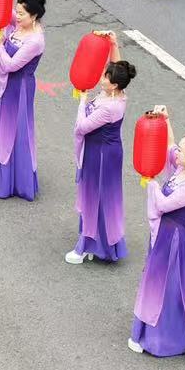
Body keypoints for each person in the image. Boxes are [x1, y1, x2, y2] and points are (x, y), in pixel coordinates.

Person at [128, 121, 185, 362]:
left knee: (164, 285)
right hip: (166, 232)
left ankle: (159, 340)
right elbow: (169, 146)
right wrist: (166, 121)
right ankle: (154, 334)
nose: (176, 153)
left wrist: (152, 182)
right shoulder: (183, 169)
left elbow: (165, 205)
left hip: (174, 237)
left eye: (182, 150)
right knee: (159, 282)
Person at [67, 50, 132, 265]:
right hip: (102, 151)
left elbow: (81, 127)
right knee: (97, 198)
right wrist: (111, 44)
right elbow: (116, 66)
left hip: (101, 155)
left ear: (114, 84)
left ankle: (86, 246)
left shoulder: (111, 106)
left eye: (106, 76)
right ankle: (98, 244)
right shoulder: (115, 93)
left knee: (94, 198)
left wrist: (82, 100)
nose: (102, 77)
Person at [0, 0, 45, 201]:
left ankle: (3, 184)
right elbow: (0, 10)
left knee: (14, 132)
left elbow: (10, 65)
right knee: (4, 130)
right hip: (9, 87)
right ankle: (6, 177)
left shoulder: (35, 40)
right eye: (17, 12)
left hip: (20, 89)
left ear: (34, 16)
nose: (17, 17)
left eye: (21, 14)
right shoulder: (22, 25)